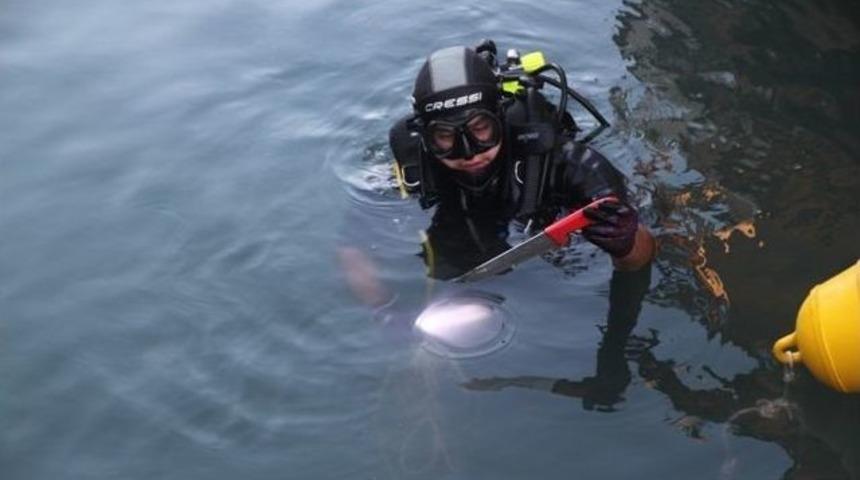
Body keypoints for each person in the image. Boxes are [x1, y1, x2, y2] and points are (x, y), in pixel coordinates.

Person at [388, 42, 655, 280]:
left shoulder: (570, 163)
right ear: (425, 136)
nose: (469, 152)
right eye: (445, 135)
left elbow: (641, 258)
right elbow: (351, 246)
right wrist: (383, 309)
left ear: (501, 116)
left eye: (481, 128)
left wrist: (626, 243)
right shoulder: (413, 158)